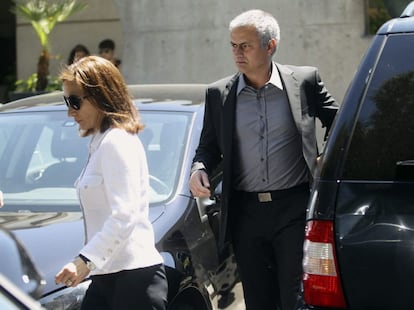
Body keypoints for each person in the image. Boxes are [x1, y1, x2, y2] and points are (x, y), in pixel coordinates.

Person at [189, 9, 338, 310]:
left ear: (270, 46)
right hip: (245, 215)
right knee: (258, 301)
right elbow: (207, 148)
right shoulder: (219, 94)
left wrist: (325, 157)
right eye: (233, 45)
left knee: (295, 298)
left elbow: (339, 122)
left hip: (294, 208)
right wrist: (199, 168)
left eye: (245, 45)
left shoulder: (304, 82)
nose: (237, 53)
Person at [55, 56, 168, 310]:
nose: (70, 111)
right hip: (108, 277)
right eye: (67, 101)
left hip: (133, 281)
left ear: (100, 97)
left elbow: (124, 214)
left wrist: (85, 261)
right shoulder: (100, 142)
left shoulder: (117, 142)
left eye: (75, 101)